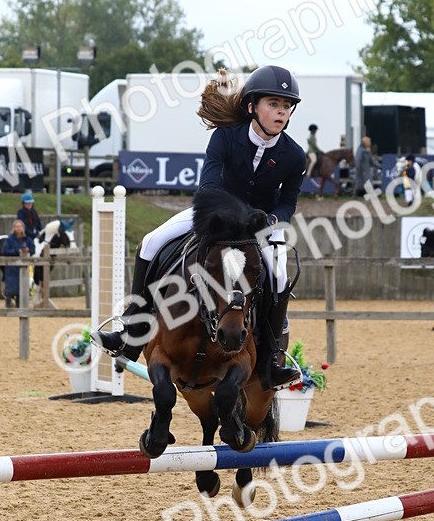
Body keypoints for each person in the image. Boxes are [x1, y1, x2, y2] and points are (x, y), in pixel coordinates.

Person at [95, 65, 307, 388]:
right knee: (151, 242)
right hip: (216, 214)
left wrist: (272, 220)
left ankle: (268, 361)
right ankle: (133, 331)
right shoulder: (225, 137)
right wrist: (227, 215)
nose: (281, 112)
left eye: (286, 106)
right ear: (252, 107)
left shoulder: (294, 156)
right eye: (274, 104)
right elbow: (208, 185)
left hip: (260, 224)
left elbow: (287, 202)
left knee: (278, 274)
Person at [2, 218, 35, 308]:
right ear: (13, 228)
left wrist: (28, 250)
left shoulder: (27, 239)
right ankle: (8, 304)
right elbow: (5, 251)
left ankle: (20, 305)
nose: (18, 228)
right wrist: (17, 251)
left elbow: (33, 249)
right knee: (10, 288)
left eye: (20, 226)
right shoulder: (9, 239)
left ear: (23, 228)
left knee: (22, 287)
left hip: (24, 267)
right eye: (16, 226)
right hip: (12, 268)